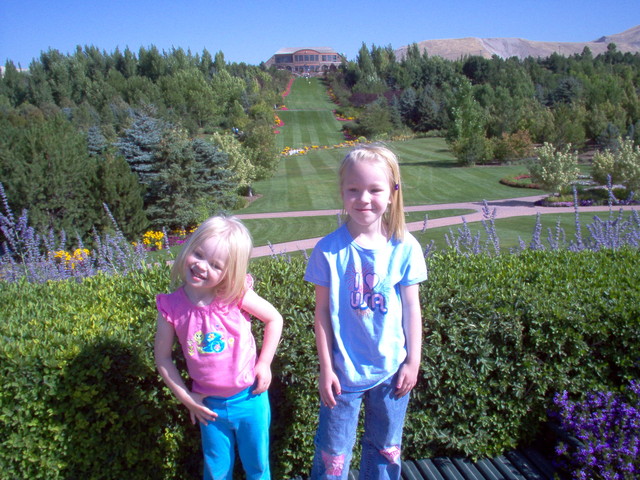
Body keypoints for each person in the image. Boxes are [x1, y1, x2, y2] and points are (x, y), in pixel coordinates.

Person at [304, 144, 428, 479]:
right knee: (333, 456)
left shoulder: (405, 248)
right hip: (343, 375)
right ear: (342, 193)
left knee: (386, 449)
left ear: (392, 193)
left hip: (391, 372)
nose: (364, 199)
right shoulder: (328, 251)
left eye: (375, 189)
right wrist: (326, 369)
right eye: (353, 189)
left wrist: (412, 361)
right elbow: (321, 315)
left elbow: (412, 310)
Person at [154, 216, 283, 480]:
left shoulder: (235, 295)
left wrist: (264, 363)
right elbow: (163, 358)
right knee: (216, 471)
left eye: (215, 265)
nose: (201, 266)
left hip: (250, 399)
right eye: (198, 254)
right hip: (208, 406)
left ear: (229, 272)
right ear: (188, 247)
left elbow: (274, 319)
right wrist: (188, 399)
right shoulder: (171, 307)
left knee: (257, 467)